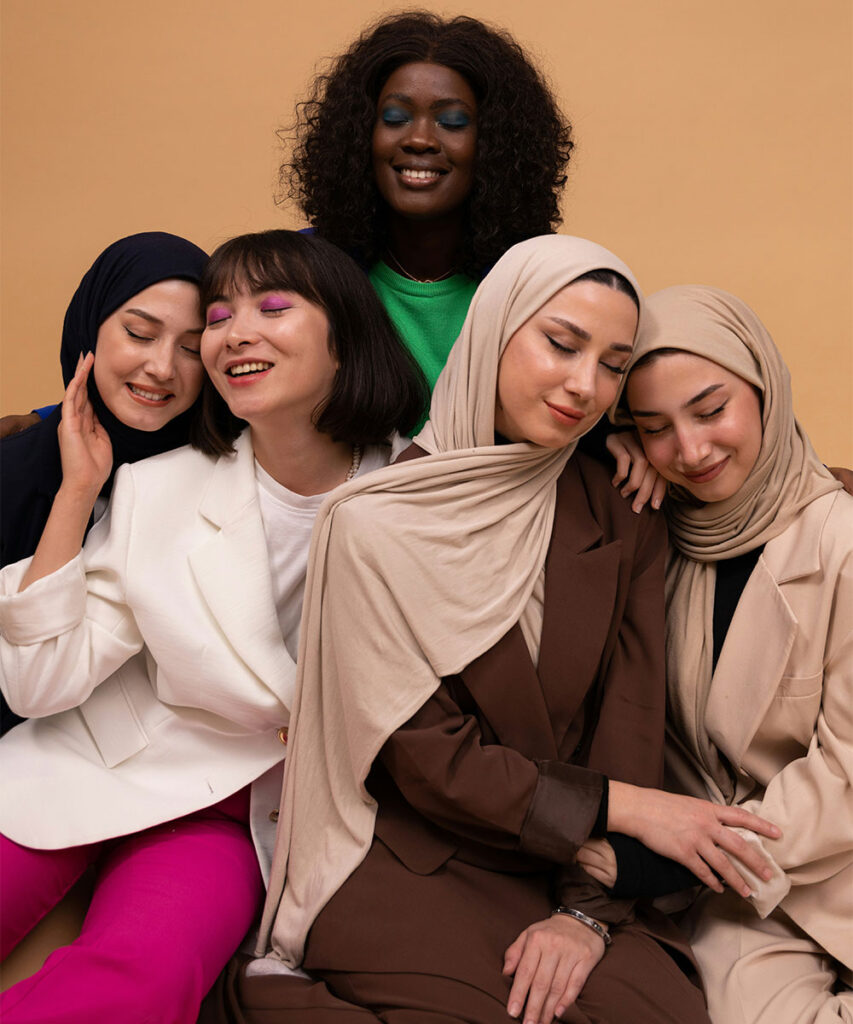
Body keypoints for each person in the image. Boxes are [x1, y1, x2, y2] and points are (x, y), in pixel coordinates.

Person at [212, 236, 779, 1024]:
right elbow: (423, 756)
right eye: (560, 343)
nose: (584, 385)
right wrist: (623, 807)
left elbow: (630, 719)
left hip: (577, 870)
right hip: (420, 861)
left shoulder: (620, 509)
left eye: (612, 365)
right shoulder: (372, 522)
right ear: (493, 328)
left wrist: (585, 912)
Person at [0, 229, 426, 1023]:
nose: (235, 333)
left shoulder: (416, 496)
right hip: (90, 754)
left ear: (345, 336)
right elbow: (38, 682)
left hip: (231, 809)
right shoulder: (159, 486)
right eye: (222, 316)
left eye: (272, 307)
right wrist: (76, 490)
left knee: (142, 983)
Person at [606, 285, 851, 1023]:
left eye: (711, 410)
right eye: (653, 428)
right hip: (747, 896)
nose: (690, 450)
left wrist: (665, 860)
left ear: (765, 390)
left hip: (813, 854)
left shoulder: (840, 542)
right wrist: (597, 450)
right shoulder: (650, 541)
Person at [283, 11, 572, 409]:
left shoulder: (546, 282)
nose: (419, 139)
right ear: (359, 134)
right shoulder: (298, 274)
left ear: (496, 144)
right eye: (395, 118)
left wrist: (617, 433)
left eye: (452, 122)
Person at [0, 231, 209, 734]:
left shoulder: (222, 478)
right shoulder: (11, 469)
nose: (161, 368)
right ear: (89, 329)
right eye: (139, 333)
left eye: (192, 348)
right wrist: (79, 489)